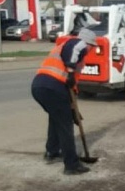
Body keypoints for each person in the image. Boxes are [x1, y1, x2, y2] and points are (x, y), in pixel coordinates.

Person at [31, 27, 98, 175]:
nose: (91, 50)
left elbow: (71, 86)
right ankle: (71, 165)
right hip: (52, 87)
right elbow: (73, 53)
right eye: (92, 47)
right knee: (65, 125)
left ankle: (52, 152)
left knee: (56, 119)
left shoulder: (66, 47)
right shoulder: (78, 43)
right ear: (89, 43)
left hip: (40, 87)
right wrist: (71, 71)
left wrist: (73, 108)